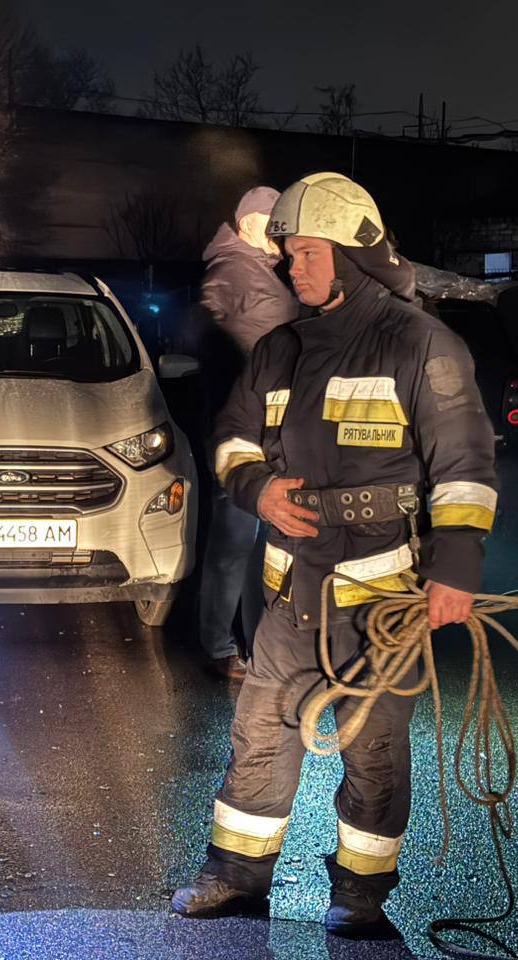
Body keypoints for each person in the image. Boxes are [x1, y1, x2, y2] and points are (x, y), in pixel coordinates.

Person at [171, 173, 497, 936]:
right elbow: (232, 439)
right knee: (259, 735)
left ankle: (361, 894)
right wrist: (256, 489)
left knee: (374, 749)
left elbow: (465, 464)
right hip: (291, 591)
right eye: (288, 255)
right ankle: (235, 877)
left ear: (353, 254)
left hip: (382, 595)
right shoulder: (279, 348)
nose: (293, 268)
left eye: (308, 253)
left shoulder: (422, 343)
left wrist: (455, 568)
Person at [196, 186, 298, 680]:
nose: (279, 228)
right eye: (270, 219)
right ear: (246, 223)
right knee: (236, 542)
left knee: (257, 544)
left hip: (263, 431)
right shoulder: (232, 273)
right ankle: (220, 645)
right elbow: (255, 348)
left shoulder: (257, 270)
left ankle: (255, 646)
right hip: (241, 435)